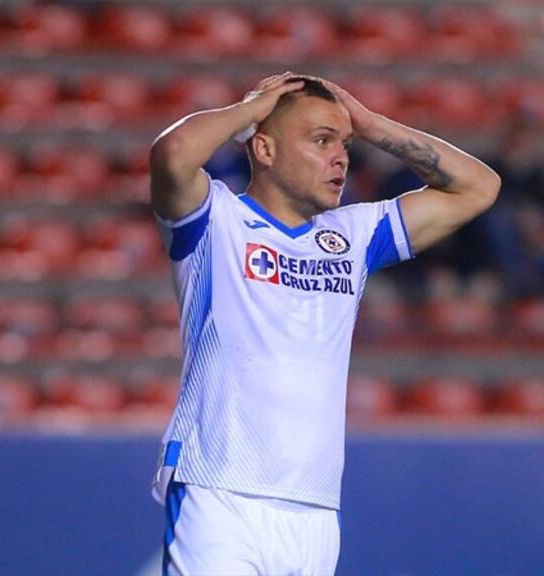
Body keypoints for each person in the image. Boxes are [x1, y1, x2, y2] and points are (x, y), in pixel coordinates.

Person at [149, 72, 500, 575]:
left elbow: (479, 188)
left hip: (314, 509)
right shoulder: (214, 220)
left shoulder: (352, 236)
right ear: (265, 150)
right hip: (219, 491)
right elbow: (173, 152)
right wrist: (253, 111)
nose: (340, 156)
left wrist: (372, 124)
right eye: (320, 141)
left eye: (344, 143)